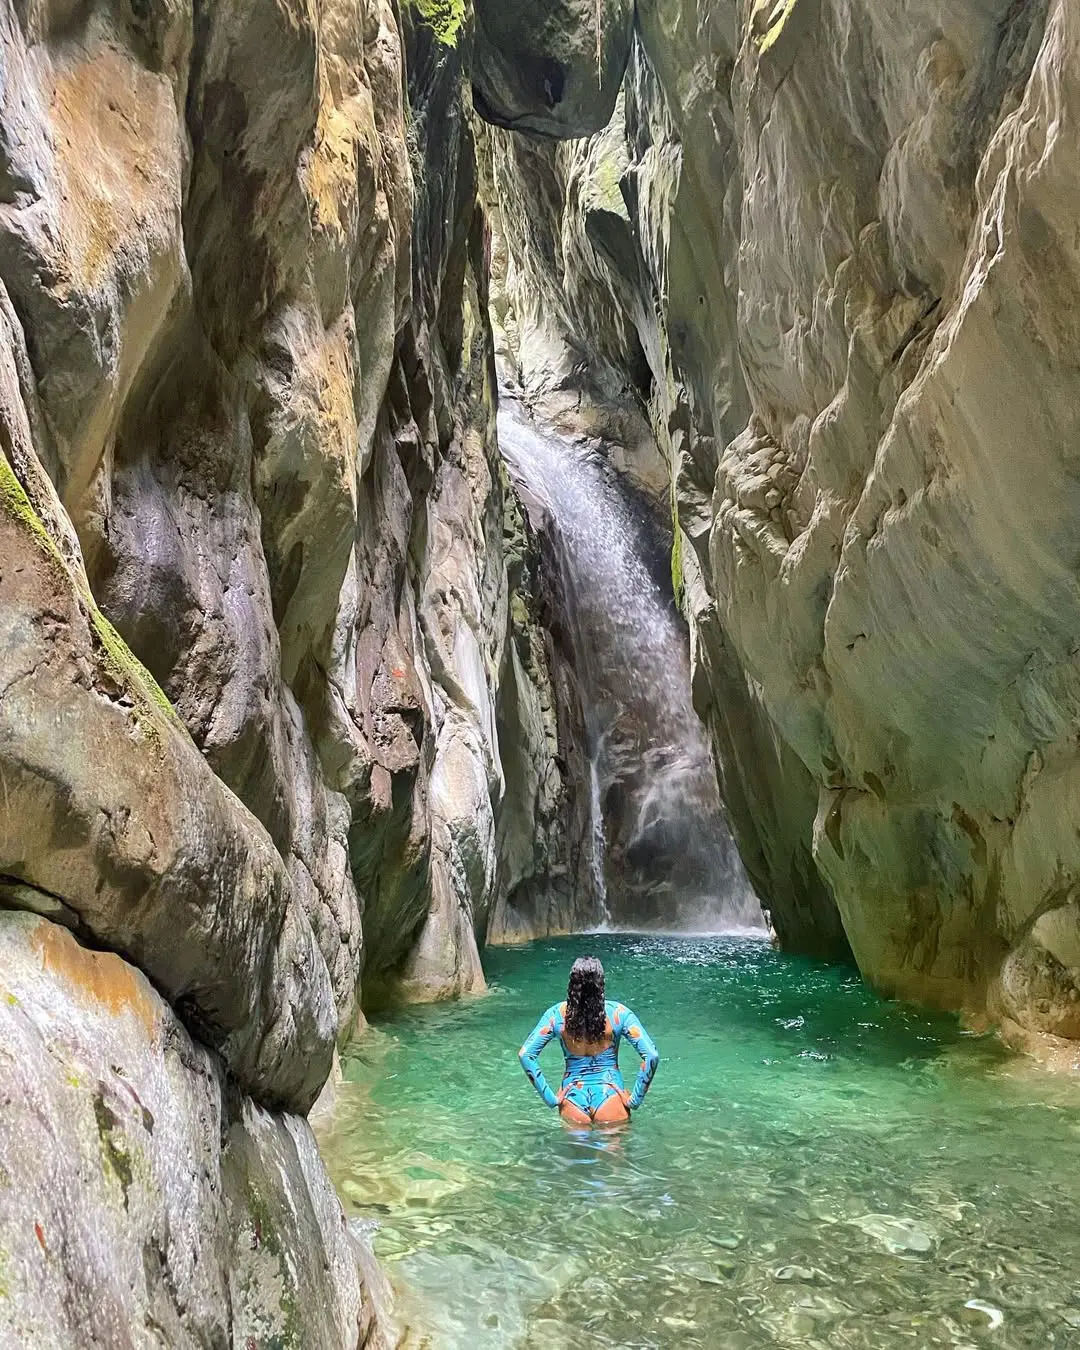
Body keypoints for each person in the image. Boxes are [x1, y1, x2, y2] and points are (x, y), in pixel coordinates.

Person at [518, 956, 659, 1125]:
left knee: (576, 1151)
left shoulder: (556, 1015)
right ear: (601, 984)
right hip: (611, 1097)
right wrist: (634, 1100)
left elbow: (525, 1055)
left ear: (572, 984)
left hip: (572, 1100)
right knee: (614, 1151)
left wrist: (550, 1099)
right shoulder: (619, 1013)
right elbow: (651, 1055)